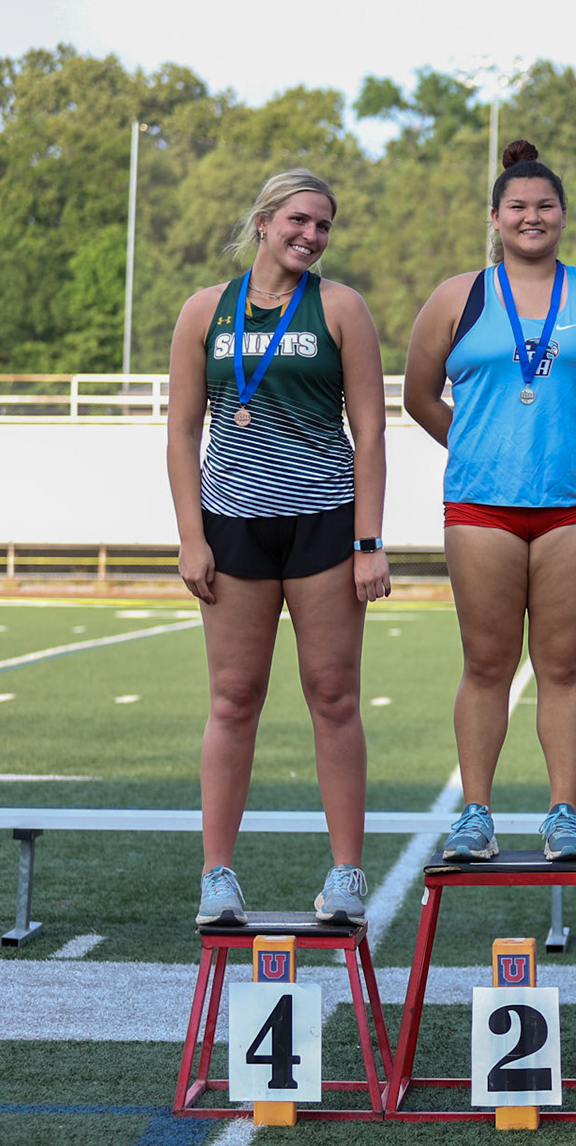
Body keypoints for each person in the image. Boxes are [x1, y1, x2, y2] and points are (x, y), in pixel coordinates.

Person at [404, 141, 576, 862]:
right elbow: (420, 395)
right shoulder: (459, 296)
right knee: (485, 664)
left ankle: (563, 813)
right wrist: (477, 444)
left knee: (563, 664)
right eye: (518, 207)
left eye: (545, 206)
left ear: (564, 216)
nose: (532, 217)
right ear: (495, 218)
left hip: (574, 505)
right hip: (483, 505)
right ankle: (475, 814)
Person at [166, 168, 392, 927]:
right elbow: (180, 432)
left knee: (333, 697)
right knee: (233, 698)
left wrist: (369, 543)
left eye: (324, 226)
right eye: (299, 220)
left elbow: (371, 434)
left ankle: (347, 875)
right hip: (232, 525)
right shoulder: (206, 310)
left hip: (323, 521)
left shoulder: (341, 308)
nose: (311, 235)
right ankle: (217, 877)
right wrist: (191, 537)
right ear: (263, 221)